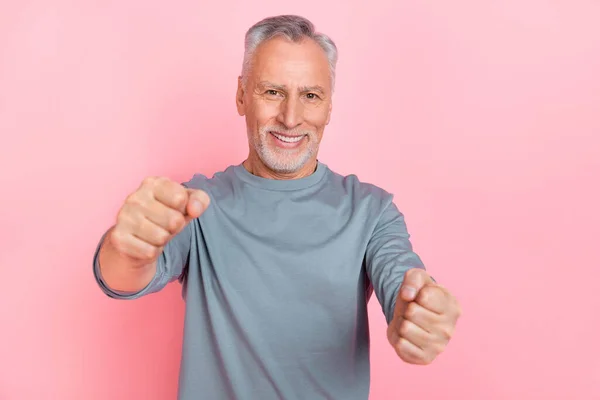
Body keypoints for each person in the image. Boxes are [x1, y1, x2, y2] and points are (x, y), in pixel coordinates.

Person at [93, 14, 461, 400]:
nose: (290, 117)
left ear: (329, 108)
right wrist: (127, 248)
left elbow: (403, 282)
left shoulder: (372, 211)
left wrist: (419, 314)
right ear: (241, 95)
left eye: (311, 96)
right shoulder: (195, 205)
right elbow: (120, 278)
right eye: (272, 92)